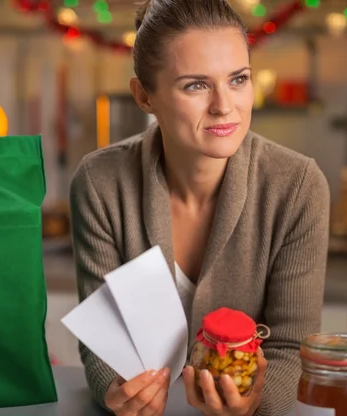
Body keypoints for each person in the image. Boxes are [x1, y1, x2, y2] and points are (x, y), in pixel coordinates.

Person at [68, 0, 330, 414]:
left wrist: (254, 407)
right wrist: (114, 393)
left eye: (238, 79)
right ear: (144, 96)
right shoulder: (100, 183)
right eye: (196, 85)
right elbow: (102, 339)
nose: (224, 106)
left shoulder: (298, 186)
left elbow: (290, 346)